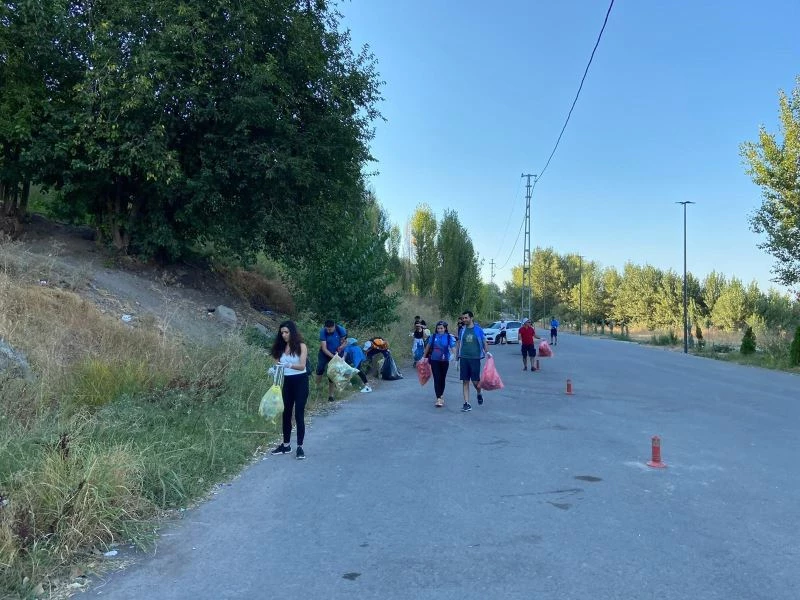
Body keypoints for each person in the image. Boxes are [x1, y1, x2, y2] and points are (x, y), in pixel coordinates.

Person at [269, 321, 309, 460]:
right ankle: (286, 445)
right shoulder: (280, 347)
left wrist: (289, 364)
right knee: (286, 413)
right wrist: (274, 370)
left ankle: (300, 446)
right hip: (287, 382)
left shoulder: (301, 346)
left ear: (292, 332)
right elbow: (278, 365)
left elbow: (302, 365)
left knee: (298, 413)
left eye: (286, 332)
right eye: (282, 333)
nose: (284, 335)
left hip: (300, 381)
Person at [455, 310, 489, 412]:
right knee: (465, 381)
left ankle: (479, 393)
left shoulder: (478, 329)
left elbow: (484, 341)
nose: (464, 320)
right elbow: (459, 343)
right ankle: (466, 403)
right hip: (464, 358)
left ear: (471, 318)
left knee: (475, 382)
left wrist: (488, 353)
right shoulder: (462, 330)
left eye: (466, 318)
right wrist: (457, 358)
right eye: (463, 318)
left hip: (475, 359)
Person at [423, 320, 456, 407]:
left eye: (441, 328)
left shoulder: (449, 337)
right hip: (434, 360)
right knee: (437, 378)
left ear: (445, 328)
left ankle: (441, 395)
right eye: (438, 328)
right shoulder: (433, 336)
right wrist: (423, 357)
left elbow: (453, 347)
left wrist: (454, 356)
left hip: (445, 361)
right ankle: (438, 398)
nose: (440, 330)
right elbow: (428, 346)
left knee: (442, 378)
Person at [316, 319, 347, 402]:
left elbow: (345, 342)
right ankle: (317, 389)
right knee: (320, 368)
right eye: (327, 329)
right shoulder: (323, 331)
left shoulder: (341, 330)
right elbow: (324, 348)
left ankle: (331, 395)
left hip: (336, 352)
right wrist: (333, 357)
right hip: (325, 353)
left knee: (332, 373)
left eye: (330, 329)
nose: (329, 330)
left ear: (334, 326)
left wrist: (341, 347)